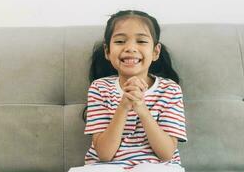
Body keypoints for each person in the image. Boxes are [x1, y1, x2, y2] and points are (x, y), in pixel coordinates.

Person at [69, 10, 187, 172]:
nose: (130, 48)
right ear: (107, 51)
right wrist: (124, 106)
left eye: (141, 41)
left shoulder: (170, 90)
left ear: (155, 51)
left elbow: (166, 154)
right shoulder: (99, 88)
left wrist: (141, 109)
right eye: (120, 41)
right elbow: (104, 154)